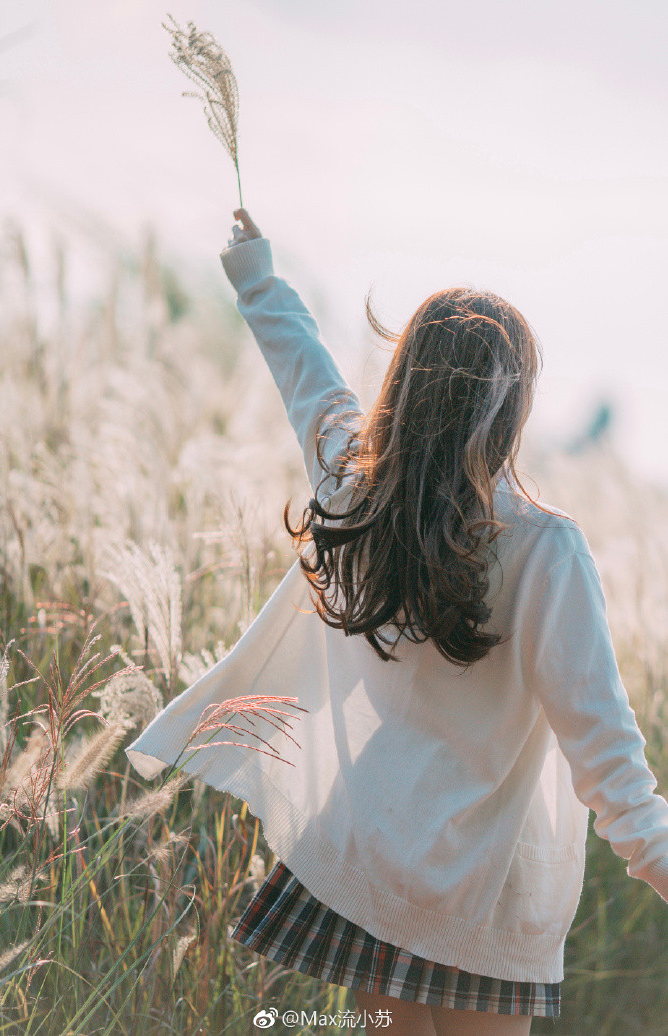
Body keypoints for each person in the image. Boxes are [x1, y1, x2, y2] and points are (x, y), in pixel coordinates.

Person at [126, 209, 668, 1035]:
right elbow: (608, 759)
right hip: (480, 890)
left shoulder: (354, 486)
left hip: (374, 855)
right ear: (513, 408)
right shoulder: (546, 550)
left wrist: (256, 273)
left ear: (406, 383)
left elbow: (303, 371)